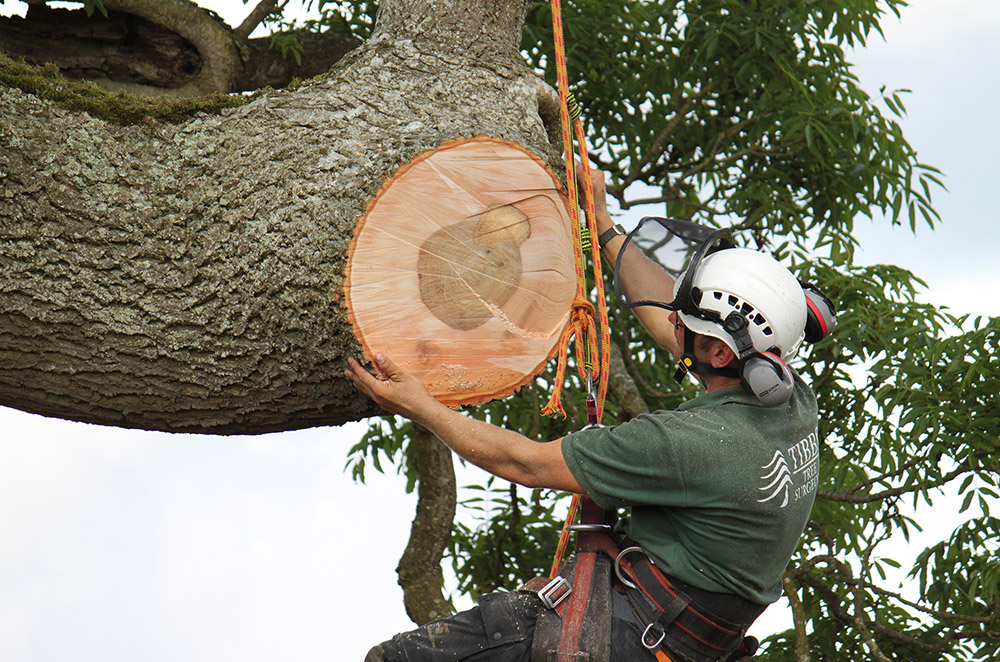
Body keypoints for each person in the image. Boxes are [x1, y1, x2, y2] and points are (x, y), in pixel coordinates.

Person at [346, 166, 834, 662]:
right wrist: (601, 226)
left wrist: (419, 405)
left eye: (684, 315)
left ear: (719, 354)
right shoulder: (792, 399)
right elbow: (676, 329)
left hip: (641, 632)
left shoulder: (686, 444)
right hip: (694, 635)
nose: (671, 317)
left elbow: (526, 465)